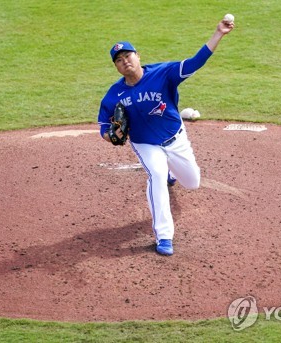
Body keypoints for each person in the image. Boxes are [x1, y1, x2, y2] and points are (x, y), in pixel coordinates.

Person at [98, 17, 234, 256]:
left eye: (128, 56)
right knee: (156, 176)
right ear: (116, 67)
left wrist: (218, 34)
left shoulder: (163, 73)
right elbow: (104, 129)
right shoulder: (113, 94)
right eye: (119, 60)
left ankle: (173, 173)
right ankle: (164, 236)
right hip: (145, 143)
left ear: (138, 56)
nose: (125, 61)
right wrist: (112, 135)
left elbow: (195, 62)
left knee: (192, 183)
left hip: (176, 138)